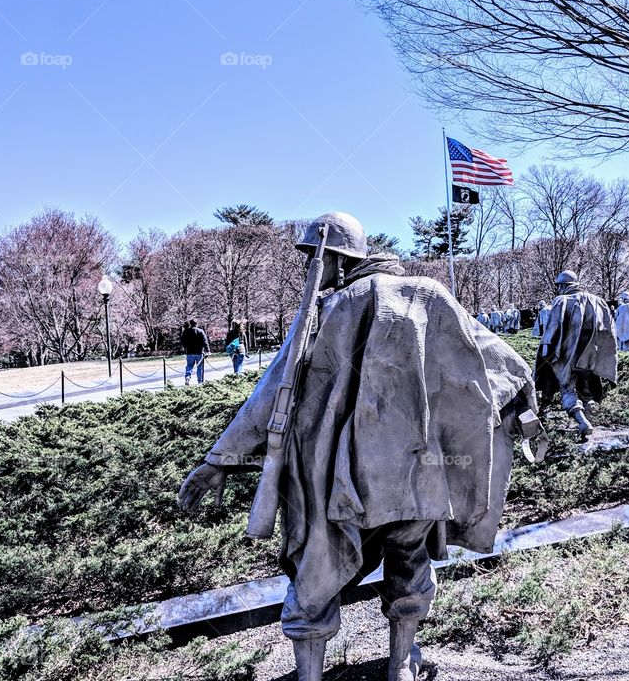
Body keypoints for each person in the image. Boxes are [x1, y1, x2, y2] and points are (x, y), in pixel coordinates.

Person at [178, 212, 542, 681]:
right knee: (409, 561)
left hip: (339, 476)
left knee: (316, 569)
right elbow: (499, 363)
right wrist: (525, 416)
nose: (307, 266)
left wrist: (219, 460)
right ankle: (400, 664)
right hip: (415, 474)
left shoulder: (328, 309)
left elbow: (272, 392)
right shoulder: (430, 295)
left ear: (334, 257)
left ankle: (312, 675)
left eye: (311, 257)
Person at [535, 270, 618, 436]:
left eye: (559, 286)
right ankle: (589, 410)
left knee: (566, 387)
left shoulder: (561, 300)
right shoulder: (598, 301)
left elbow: (551, 330)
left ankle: (582, 422)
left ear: (564, 285)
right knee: (585, 386)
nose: (558, 289)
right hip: (591, 354)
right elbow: (609, 330)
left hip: (567, 354)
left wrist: (545, 353)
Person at [181, 319, 210, 385]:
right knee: (199, 367)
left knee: (189, 366)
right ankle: (200, 381)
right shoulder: (200, 331)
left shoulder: (186, 331)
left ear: (190, 324)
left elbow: (183, 341)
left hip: (190, 352)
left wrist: (185, 348)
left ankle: (187, 377)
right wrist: (208, 350)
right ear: (197, 323)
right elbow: (205, 341)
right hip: (199, 352)